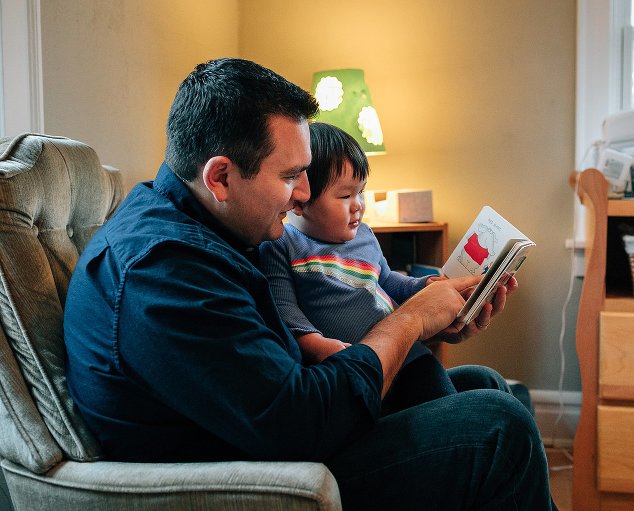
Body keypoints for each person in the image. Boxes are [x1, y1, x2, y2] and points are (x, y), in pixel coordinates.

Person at [64, 57, 557, 510]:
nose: (303, 195)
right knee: (498, 425)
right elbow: (300, 425)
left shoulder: (210, 223)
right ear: (220, 177)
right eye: (291, 176)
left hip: (281, 428)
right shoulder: (167, 273)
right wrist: (410, 321)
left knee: (485, 386)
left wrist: (434, 317)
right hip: (258, 478)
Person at [259, 122, 456, 414]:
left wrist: (425, 287)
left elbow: (388, 281)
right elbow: (284, 309)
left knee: (451, 406)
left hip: (408, 357)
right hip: (355, 367)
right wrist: (316, 345)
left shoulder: (364, 234)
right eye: (344, 196)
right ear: (300, 201)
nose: (358, 205)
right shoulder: (281, 244)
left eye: (361, 192)